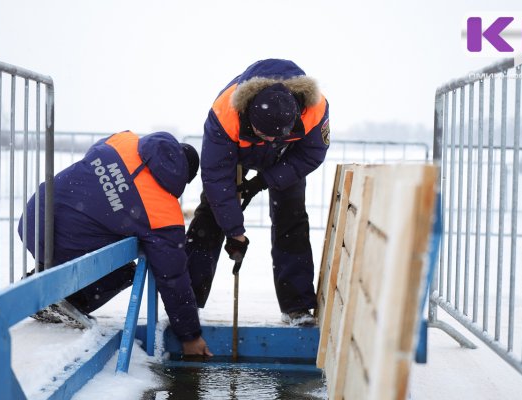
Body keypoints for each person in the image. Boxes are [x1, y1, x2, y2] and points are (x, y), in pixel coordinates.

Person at [19, 130, 212, 356]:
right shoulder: (163, 213)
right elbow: (173, 279)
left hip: (36, 216)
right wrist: (190, 336)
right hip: (67, 245)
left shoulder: (124, 141)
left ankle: (40, 277)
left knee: (92, 223)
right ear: (184, 177)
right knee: (126, 268)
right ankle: (68, 299)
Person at [185, 59, 330, 326]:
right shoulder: (224, 113)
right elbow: (217, 177)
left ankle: (297, 306)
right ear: (249, 114)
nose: (270, 141)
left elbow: (311, 154)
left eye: (277, 135)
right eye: (264, 134)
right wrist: (235, 232)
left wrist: (265, 180)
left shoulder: (315, 109)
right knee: (212, 214)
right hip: (235, 151)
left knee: (292, 217)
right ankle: (187, 302)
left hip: (287, 158)